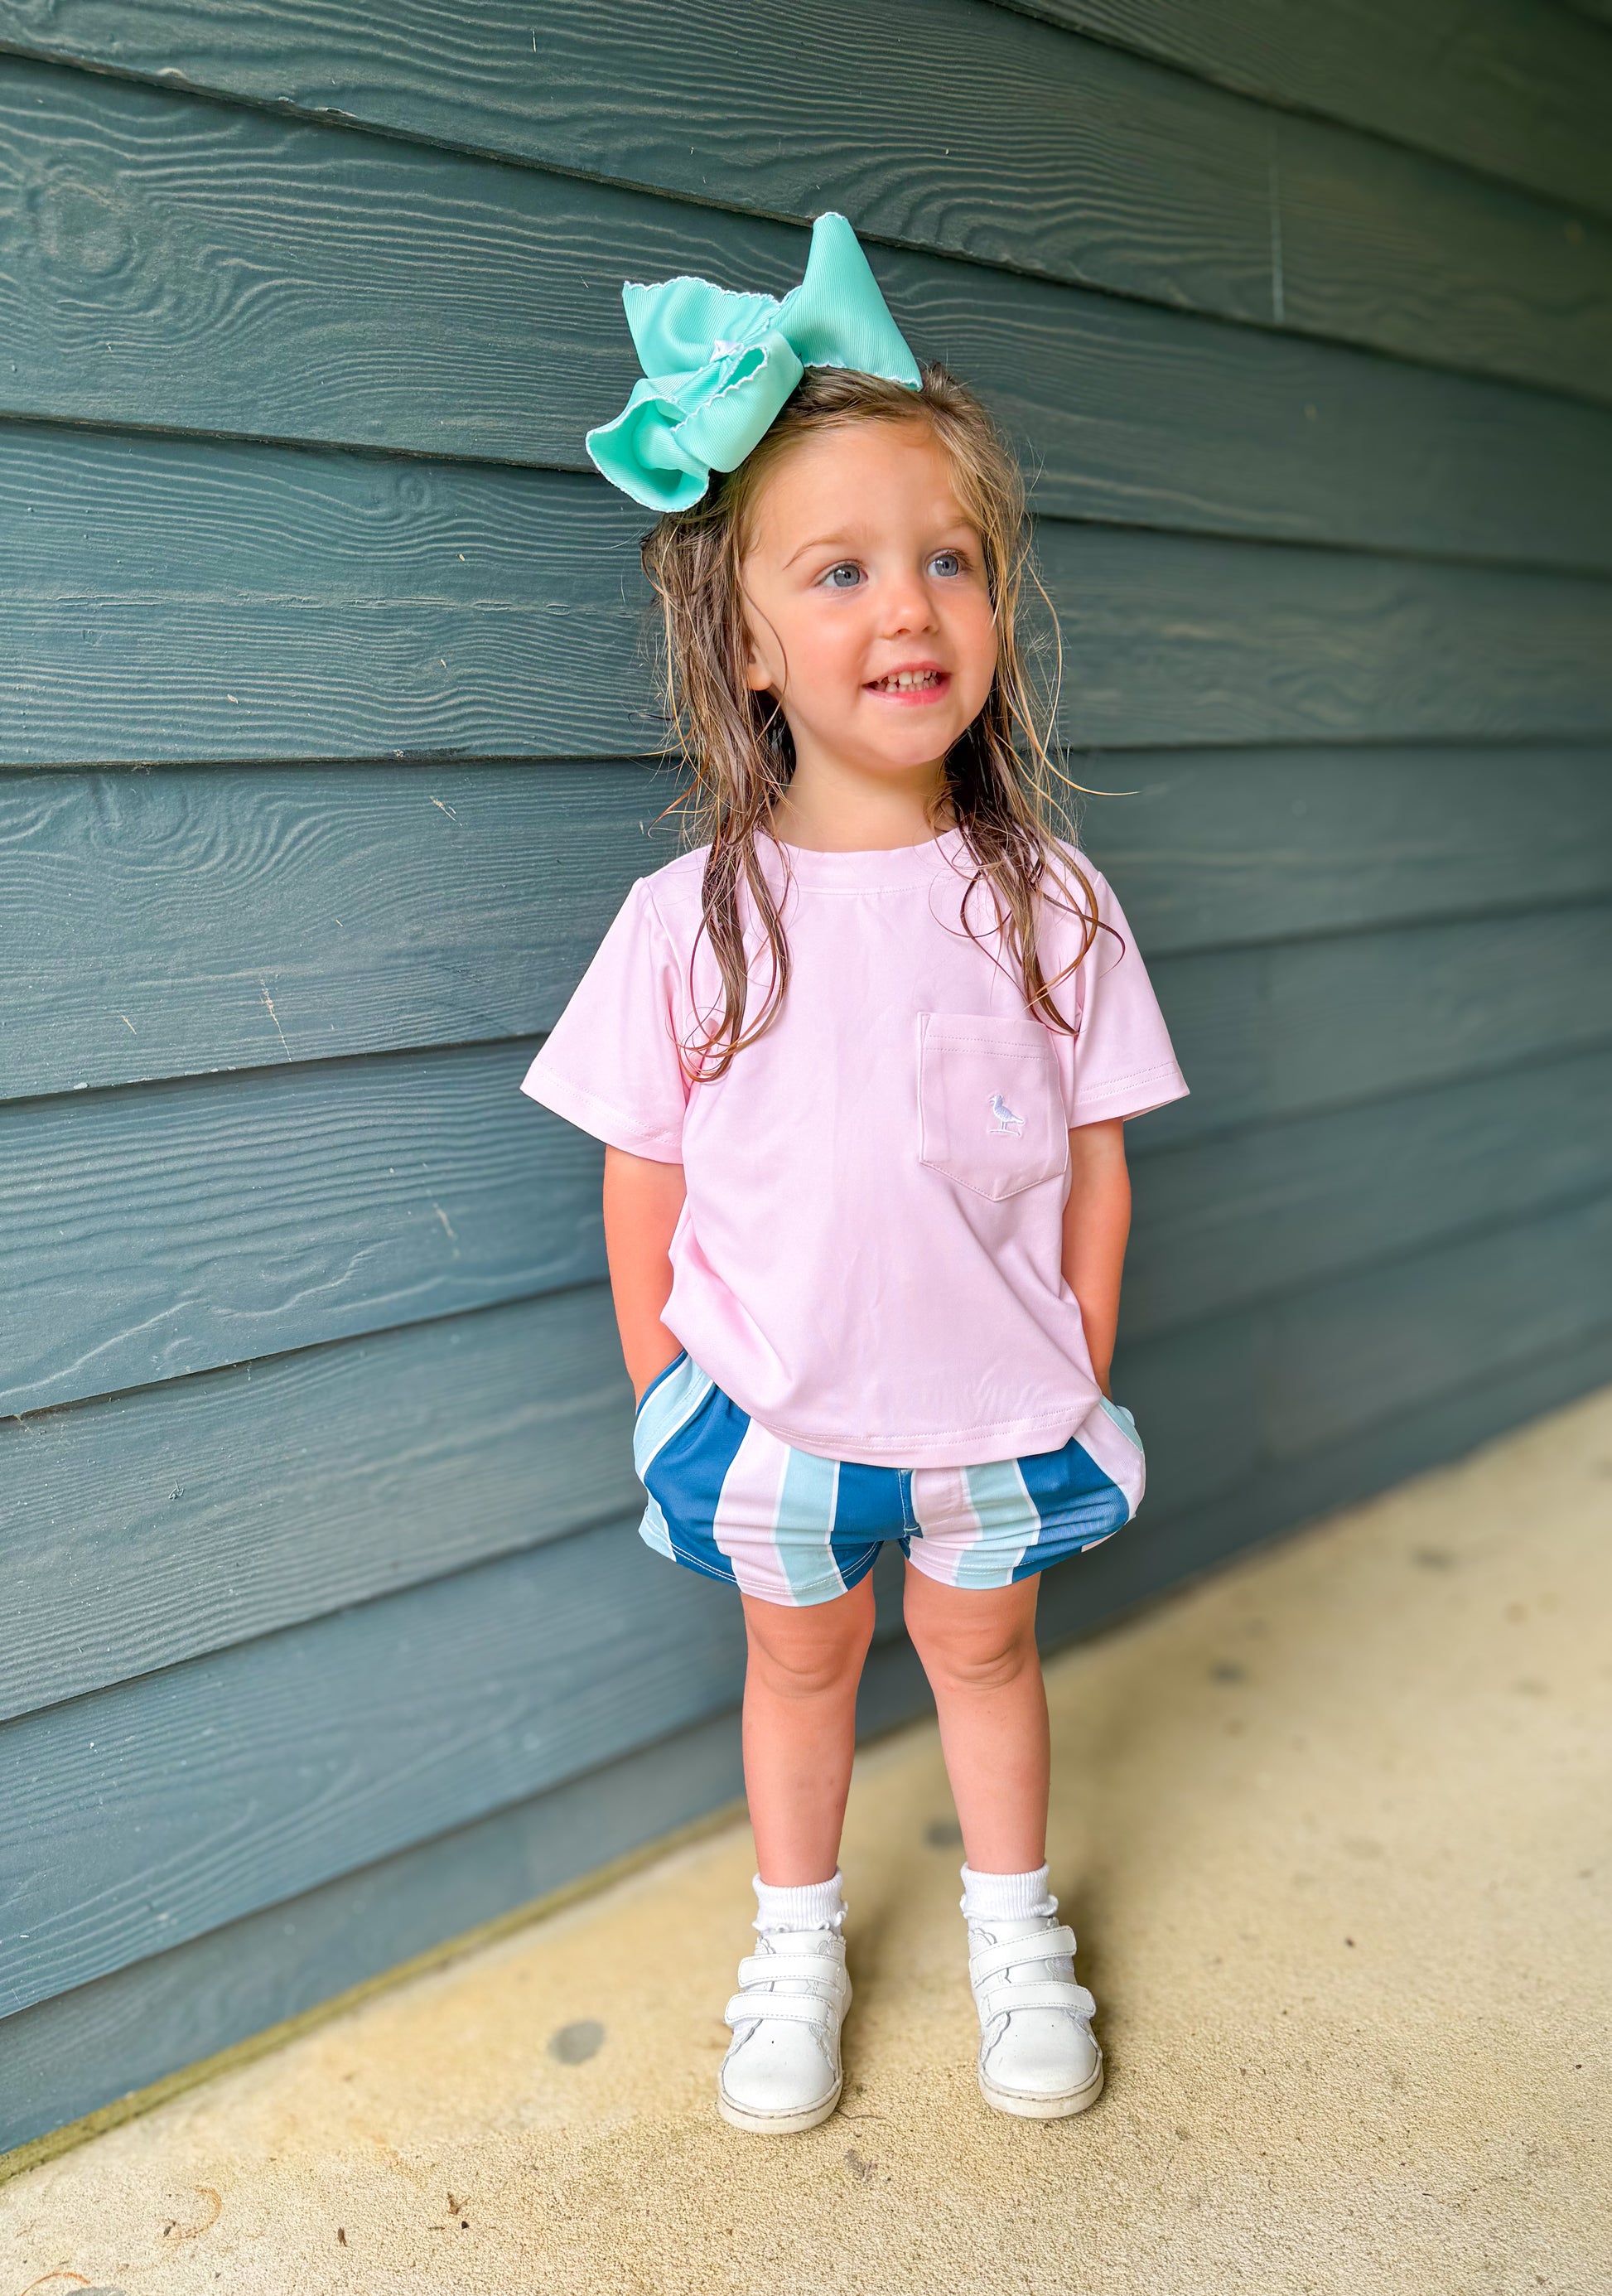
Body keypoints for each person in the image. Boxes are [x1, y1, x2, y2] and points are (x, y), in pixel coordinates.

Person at [519, 215, 1189, 2135]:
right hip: (770, 1414)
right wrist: (671, 1394)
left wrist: (1071, 1365)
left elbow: (1093, 1172)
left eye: (947, 560)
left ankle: (1012, 1930)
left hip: (1000, 1409)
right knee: (798, 1670)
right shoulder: (687, 921)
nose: (910, 606)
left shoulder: (1050, 904)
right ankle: (795, 1944)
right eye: (841, 570)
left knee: (986, 1651)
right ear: (744, 642)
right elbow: (644, 1181)